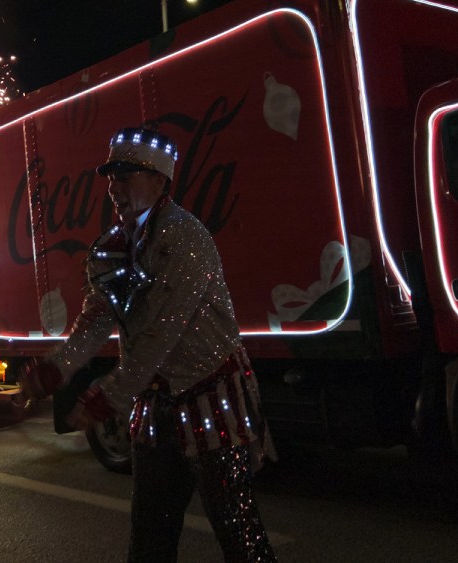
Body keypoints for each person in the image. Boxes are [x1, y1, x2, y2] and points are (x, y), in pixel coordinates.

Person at [21, 127, 276, 562]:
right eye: (111, 177)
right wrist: (50, 372)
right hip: (155, 412)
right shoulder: (111, 247)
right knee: (149, 535)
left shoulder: (186, 237)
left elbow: (162, 331)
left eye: (126, 176)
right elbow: (94, 324)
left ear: (159, 181)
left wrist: (105, 399)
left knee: (237, 531)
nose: (113, 187)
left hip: (211, 405)